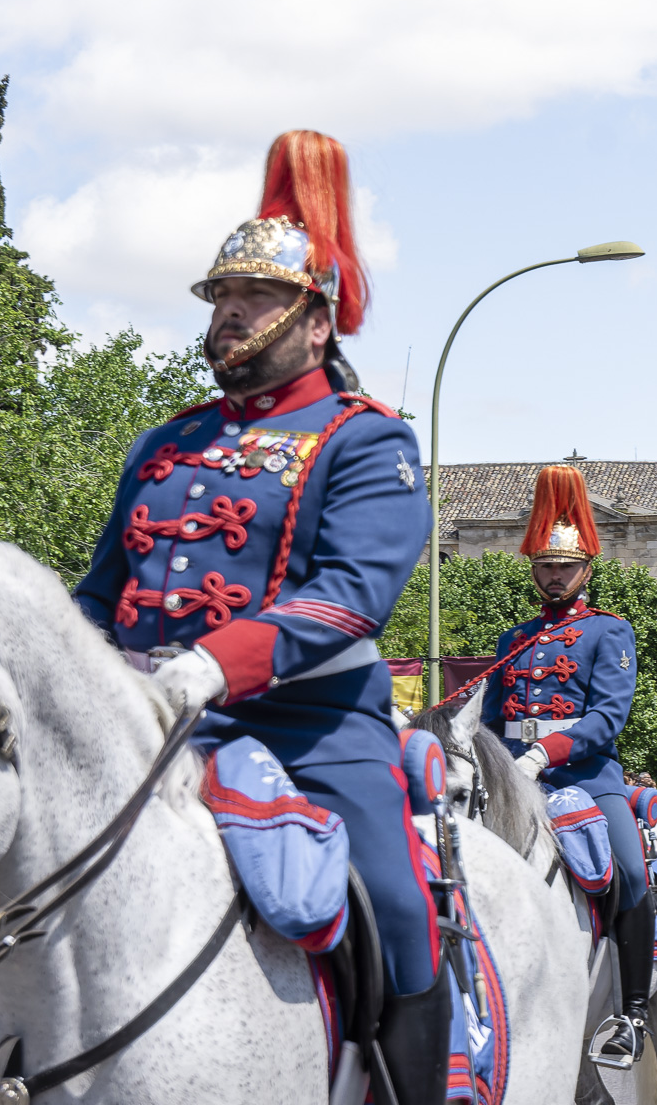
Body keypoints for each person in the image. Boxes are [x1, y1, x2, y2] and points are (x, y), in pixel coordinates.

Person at [73, 132, 447, 1103]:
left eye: (256, 297)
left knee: (400, 906)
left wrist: (211, 662)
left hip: (309, 724)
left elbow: (348, 592)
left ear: (315, 321)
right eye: (221, 296)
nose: (230, 311)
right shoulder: (167, 440)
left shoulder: (368, 441)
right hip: (149, 719)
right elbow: (100, 586)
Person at [480, 464, 653, 1067]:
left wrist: (542, 753)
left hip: (585, 776)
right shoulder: (514, 639)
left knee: (630, 871)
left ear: (584, 570)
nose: (553, 576)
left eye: (564, 567)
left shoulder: (611, 632)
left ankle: (632, 1014)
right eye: (545, 567)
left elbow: (607, 719)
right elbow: (495, 715)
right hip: (513, 777)